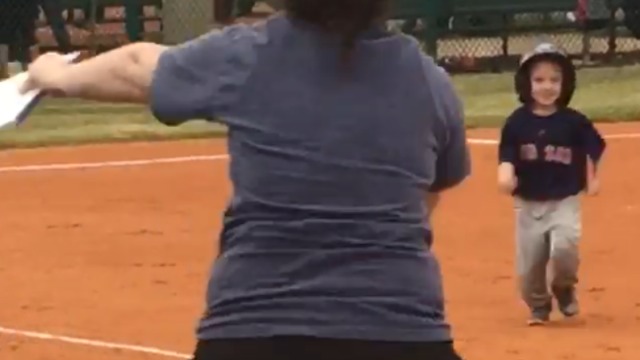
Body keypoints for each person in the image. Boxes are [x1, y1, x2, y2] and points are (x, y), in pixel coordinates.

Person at [23, 0, 470, 358]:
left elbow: (139, 65)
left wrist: (56, 75)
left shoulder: (246, 55)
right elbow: (427, 197)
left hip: (256, 325)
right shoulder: (428, 81)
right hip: (401, 328)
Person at [497, 43, 606, 326]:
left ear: (565, 84)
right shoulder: (516, 123)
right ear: (526, 83)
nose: (547, 87)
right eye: (539, 80)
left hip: (564, 201)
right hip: (529, 205)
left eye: (555, 80)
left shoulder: (574, 122)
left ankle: (564, 287)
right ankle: (538, 305)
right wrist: (505, 174)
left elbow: (593, 148)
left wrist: (592, 177)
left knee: (565, 248)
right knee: (530, 265)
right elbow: (507, 153)